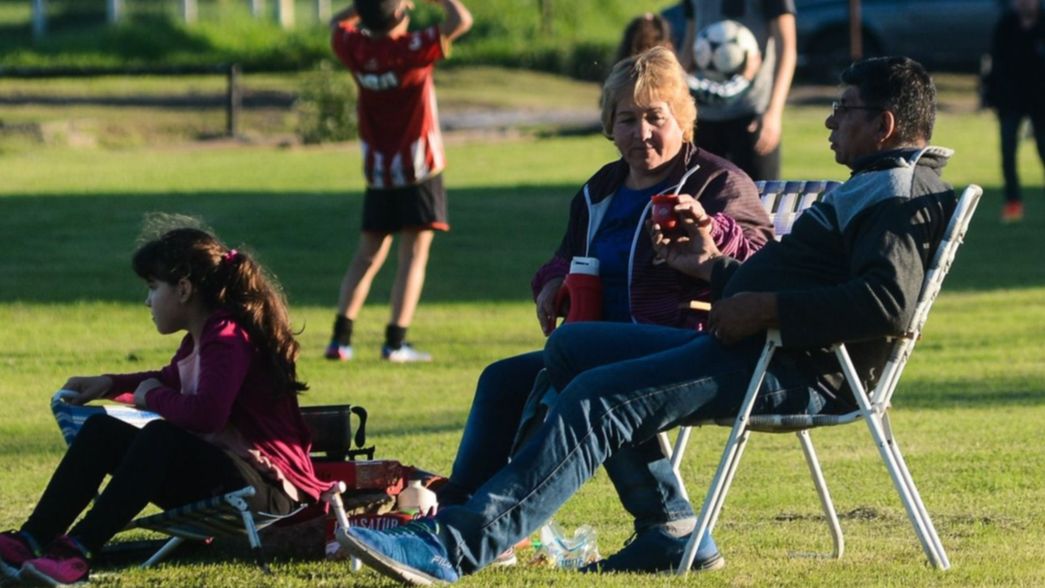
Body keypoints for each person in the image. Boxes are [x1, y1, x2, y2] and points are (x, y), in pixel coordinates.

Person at [335, 56, 956, 585]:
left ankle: (453, 547)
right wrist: (711, 271)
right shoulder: (875, 185)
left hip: (795, 365)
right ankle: (669, 531)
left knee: (596, 397)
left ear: (884, 124)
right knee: (573, 351)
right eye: (626, 119)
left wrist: (763, 305)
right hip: (761, 345)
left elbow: (886, 304)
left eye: (843, 109)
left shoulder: (895, 192)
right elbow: (790, 279)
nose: (829, 120)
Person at [436, 46, 772, 572]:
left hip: (686, 343)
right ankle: (459, 509)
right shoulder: (601, 189)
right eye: (627, 120)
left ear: (683, 119)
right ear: (609, 128)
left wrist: (712, 232)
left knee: (574, 364)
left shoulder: (717, 182)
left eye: (655, 117)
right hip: (598, 341)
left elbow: (763, 261)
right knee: (503, 377)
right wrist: (552, 283)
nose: (641, 134)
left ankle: (481, 529)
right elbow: (565, 257)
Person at [0, 226, 330, 585]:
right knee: (102, 430)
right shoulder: (201, 337)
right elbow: (167, 379)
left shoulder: (228, 336)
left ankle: (77, 552)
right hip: (232, 480)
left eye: (153, 287)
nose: (147, 301)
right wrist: (110, 384)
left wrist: (150, 396)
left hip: (269, 492)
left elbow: (206, 414)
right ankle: (30, 539)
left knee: (161, 436)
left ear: (184, 289)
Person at [325, 0, 473, 363]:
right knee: (413, 256)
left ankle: (340, 340)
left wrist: (364, 6)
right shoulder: (412, 48)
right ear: (399, 14)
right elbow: (461, 20)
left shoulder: (355, 47)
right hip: (419, 167)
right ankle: (395, 343)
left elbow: (334, 22)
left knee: (367, 255)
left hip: (378, 170)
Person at [679, 0, 797, 181]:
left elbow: (787, 48)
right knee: (703, 200)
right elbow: (690, 44)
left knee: (760, 198)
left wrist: (773, 112)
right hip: (702, 115)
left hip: (752, 114)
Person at [984, 0, 1045, 223]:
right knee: (1008, 152)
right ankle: (1013, 203)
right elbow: (994, 63)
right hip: (1011, 101)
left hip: (1040, 102)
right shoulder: (1006, 26)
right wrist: (990, 94)